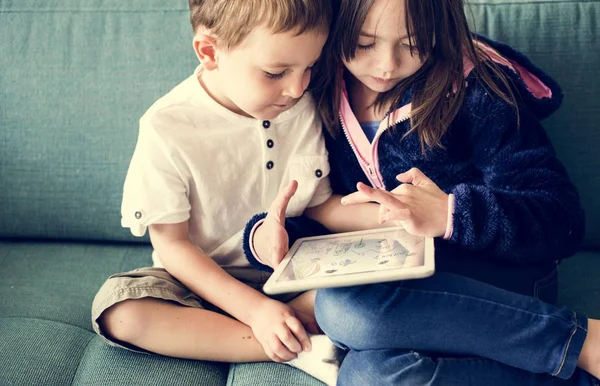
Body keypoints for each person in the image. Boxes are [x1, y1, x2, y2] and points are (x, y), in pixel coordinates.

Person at [245, 0, 600, 384]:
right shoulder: (314, 89)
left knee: (344, 309)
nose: (386, 65)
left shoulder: (477, 90)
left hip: (505, 286)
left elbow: (561, 219)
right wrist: (269, 238)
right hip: (401, 298)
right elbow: (324, 210)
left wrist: (450, 214)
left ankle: (580, 342)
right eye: (364, 44)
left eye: (413, 45)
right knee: (368, 376)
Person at [90, 1, 340, 384]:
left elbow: (322, 206)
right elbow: (173, 246)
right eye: (276, 73)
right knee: (120, 311)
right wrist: (256, 311)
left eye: (310, 67)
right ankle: (293, 344)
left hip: (292, 276)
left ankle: (287, 328)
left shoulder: (302, 105)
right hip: (200, 283)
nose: (296, 87)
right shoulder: (167, 126)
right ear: (210, 52)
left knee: (367, 289)